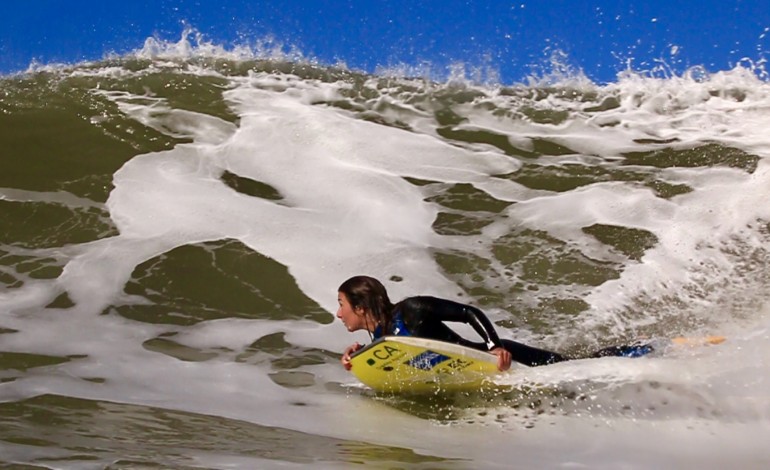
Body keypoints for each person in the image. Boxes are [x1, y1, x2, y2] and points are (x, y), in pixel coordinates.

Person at [337, 275, 653, 372]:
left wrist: (494, 346)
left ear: (360, 306)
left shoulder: (411, 311)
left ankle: (647, 348)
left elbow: (469, 313)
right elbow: (403, 360)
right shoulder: (382, 338)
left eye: (342, 305)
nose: (339, 313)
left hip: (505, 359)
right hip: (481, 371)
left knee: (580, 367)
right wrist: (359, 357)